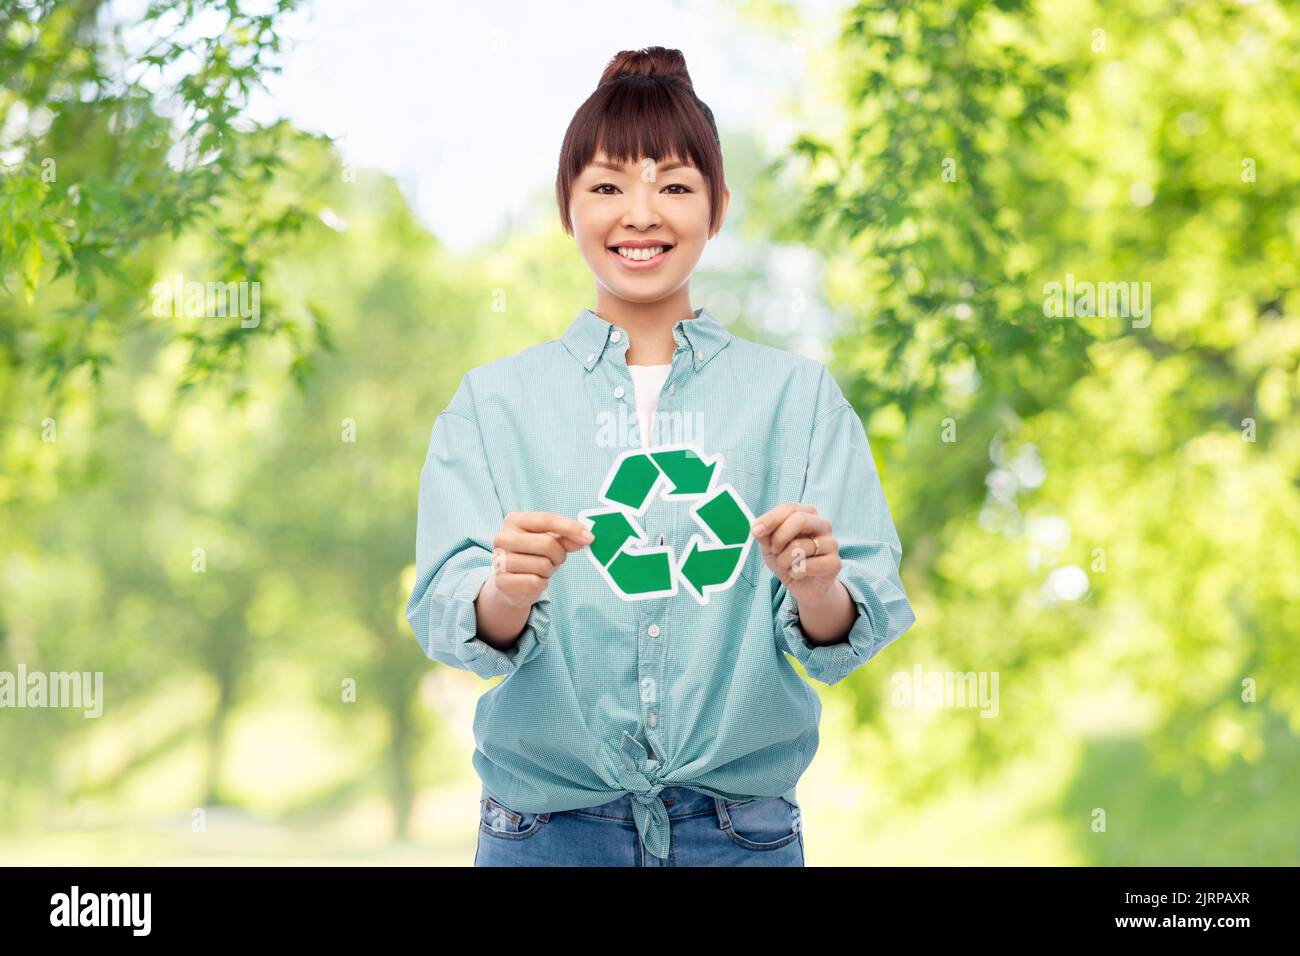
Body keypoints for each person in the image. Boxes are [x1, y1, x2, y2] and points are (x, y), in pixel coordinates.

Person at [405, 46, 916, 867]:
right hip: (546, 831)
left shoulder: (797, 398)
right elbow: (449, 608)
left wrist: (819, 587)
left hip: (740, 833)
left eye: (674, 186)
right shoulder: (493, 403)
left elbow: (846, 621)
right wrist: (504, 590)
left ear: (717, 208)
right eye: (606, 186)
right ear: (565, 207)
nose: (639, 215)